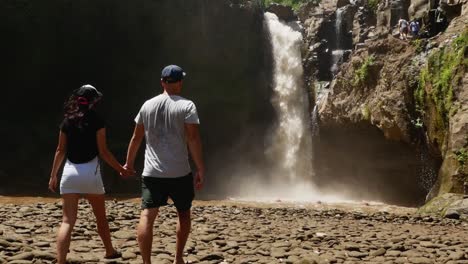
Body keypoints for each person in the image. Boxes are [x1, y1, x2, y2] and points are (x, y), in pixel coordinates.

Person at [124, 65, 205, 264]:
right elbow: (193, 139)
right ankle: (178, 259)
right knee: (184, 213)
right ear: (180, 83)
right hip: (179, 171)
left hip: (152, 172)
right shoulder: (187, 106)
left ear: (162, 82)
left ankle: (146, 262)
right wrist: (200, 168)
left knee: (147, 216)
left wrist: (128, 164)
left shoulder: (147, 105)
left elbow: (136, 138)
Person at [48, 84, 133, 263]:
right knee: (100, 217)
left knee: (67, 221)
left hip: (69, 173)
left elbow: (60, 150)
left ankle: (61, 260)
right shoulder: (97, 120)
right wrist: (121, 169)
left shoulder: (67, 120)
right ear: (94, 101)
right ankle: (109, 251)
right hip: (90, 174)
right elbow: (103, 152)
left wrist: (53, 175)